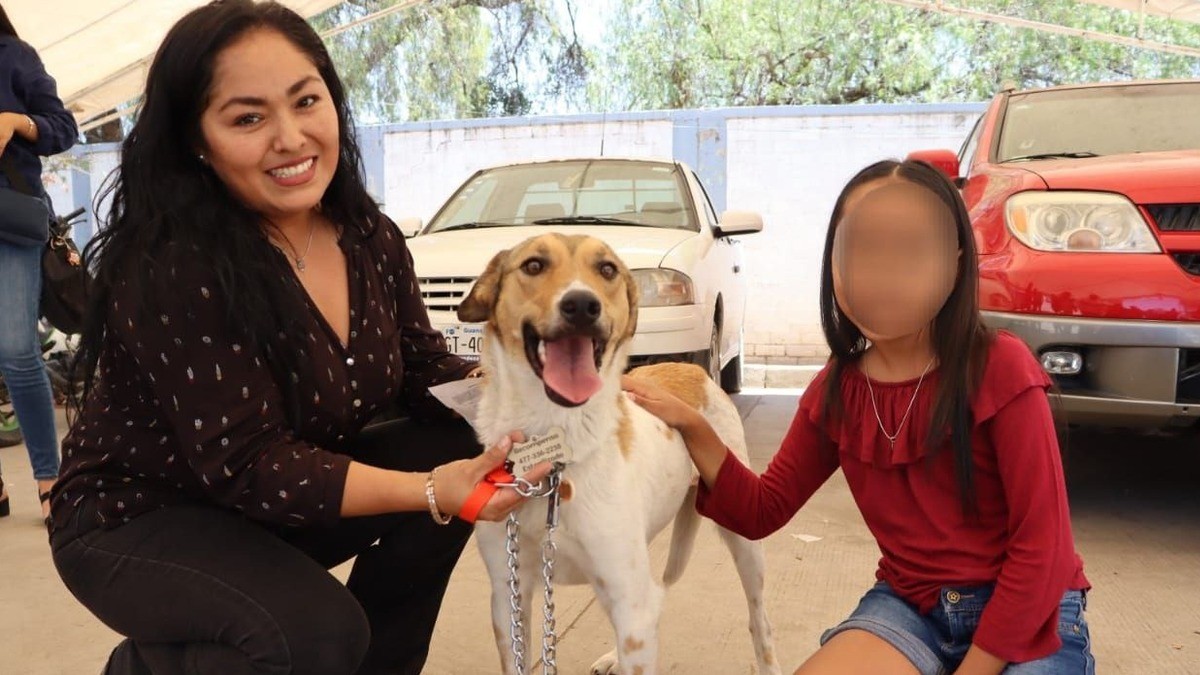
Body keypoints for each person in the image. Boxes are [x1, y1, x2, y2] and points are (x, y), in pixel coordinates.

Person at [48, 2, 542, 674]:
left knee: (456, 438)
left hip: (272, 500)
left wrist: (542, 401)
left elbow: (422, 370)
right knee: (315, 634)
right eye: (248, 117)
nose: (291, 137)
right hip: (135, 517)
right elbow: (250, 463)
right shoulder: (173, 266)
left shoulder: (369, 236)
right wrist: (431, 489)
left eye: (306, 101)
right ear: (197, 140)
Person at [623, 159, 1094, 675]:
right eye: (863, 249)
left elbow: (1042, 550)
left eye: (912, 250)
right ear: (835, 263)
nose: (885, 273)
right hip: (910, 608)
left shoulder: (999, 367)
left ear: (955, 261)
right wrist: (692, 424)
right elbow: (763, 509)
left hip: (1029, 611)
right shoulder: (837, 390)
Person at [0, 3, 78, 524]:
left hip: (9, 216)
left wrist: (17, 122)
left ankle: (50, 478)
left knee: (15, 349)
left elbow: (63, 128)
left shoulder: (13, 56)